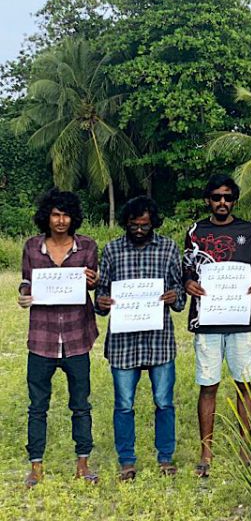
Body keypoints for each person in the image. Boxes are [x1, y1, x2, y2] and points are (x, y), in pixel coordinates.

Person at [94, 196, 185, 480]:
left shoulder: (169, 248)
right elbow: (99, 295)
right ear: (126, 223)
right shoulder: (111, 250)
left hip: (159, 341)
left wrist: (174, 297)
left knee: (164, 402)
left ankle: (166, 457)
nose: (138, 230)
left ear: (153, 223)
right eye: (133, 225)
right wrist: (103, 302)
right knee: (123, 404)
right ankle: (127, 461)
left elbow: (180, 294)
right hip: (124, 344)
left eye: (144, 225)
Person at [183, 174, 251, 477]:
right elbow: (186, 272)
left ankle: (246, 447)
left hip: (242, 320)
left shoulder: (248, 230)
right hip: (206, 320)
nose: (222, 202)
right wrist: (189, 283)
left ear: (234, 200)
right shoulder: (195, 232)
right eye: (216, 197)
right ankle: (206, 450)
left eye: (228, 197)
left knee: (244, 384)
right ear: (208, 199)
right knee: (208, 386)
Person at [18, 189, 100, 487]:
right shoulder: (31, 247)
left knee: (81, 404)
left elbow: (93, 284)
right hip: (42, 337)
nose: (61, 220)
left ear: (73, 217)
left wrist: (95, 281)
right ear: (47, 217)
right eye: (55, 214)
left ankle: (83, 464)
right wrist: (24, 295)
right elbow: (26, 282)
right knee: (37, 405)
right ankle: (36, 468)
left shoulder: (88, 246)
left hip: (78, 336)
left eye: (66, 214)